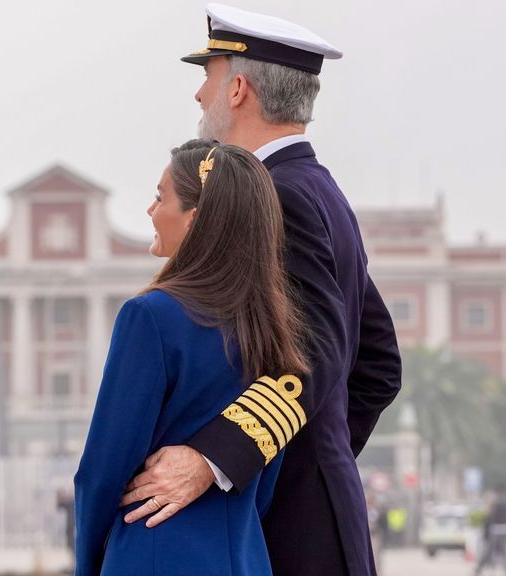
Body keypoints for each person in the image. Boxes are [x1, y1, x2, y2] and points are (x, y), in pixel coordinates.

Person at [119, 5, 402, 576]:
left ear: (240, 88)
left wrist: (214, 459)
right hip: (318, 513)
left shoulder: (278, 196)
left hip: (291, 529)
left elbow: (316, 350)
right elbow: (377, 362)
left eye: (209, 76)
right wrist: (321, 456)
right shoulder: (321, 189)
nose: (200, 96)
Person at [74, 139, 312, 575]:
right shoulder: (270, 325)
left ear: (196, 221)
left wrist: (90, 561)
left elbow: (103, 469)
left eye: (161, 196)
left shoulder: (149, 316)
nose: (151, 209)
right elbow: (264, 469)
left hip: (150, 553)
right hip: (244, 555)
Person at [475, 485, 506, 575]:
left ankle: (479, 568)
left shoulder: (496, 503)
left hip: (496, 530)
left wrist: (486, 531)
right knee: (505, 551)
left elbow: (491, 518)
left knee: (488, 550)